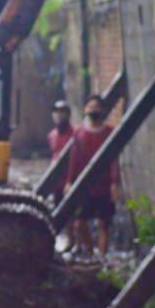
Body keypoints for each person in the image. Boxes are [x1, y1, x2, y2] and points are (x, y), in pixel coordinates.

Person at [65, 94, 121, 261]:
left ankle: (102, 259)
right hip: (85, 186)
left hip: (103, 185)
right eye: (90, 107)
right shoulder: (79, 133)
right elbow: (73, 159)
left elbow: (114, 159)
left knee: (104, 223)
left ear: (102, 110)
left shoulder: (109, 132)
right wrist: (69, 181)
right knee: (79, 222)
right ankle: (90, 254)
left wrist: (114, 183)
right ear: (85, 109)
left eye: (97, 107)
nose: (94, 110)